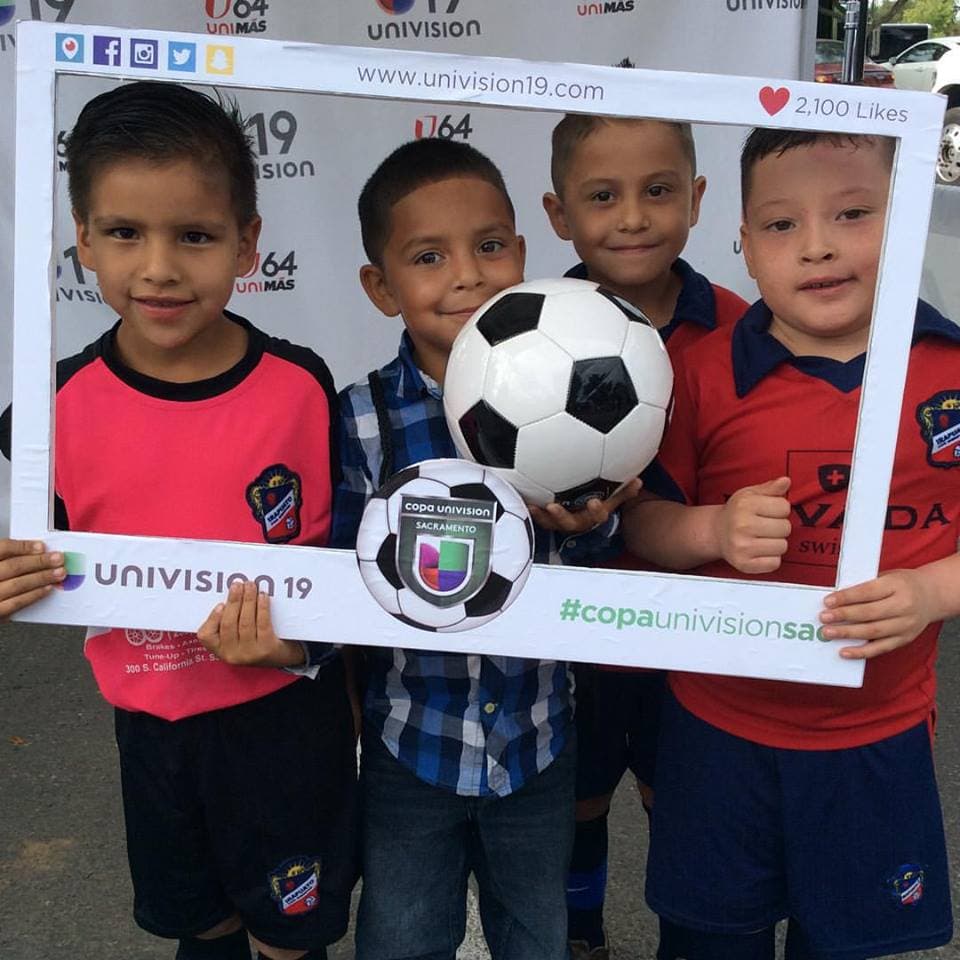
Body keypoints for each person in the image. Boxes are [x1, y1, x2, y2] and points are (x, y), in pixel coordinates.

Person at [0, 81, 357, 960]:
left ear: (247, 242)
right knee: (201, 923)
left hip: (283, 726)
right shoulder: (48, 411)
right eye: (125, 232)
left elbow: (347, 566)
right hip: (152, 734)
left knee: (289, 936)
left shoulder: (303, 388)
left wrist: (298, 647)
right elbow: (38, 558)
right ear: (82, 238)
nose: (159, 267)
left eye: (194, 236)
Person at [623, 128, 958, 960]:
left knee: (840, 945)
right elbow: (638, 521)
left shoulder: (950, 372)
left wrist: (930, 593)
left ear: (906, 218)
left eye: (853, 214)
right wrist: (711, 528)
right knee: (708, 942)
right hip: (717, 726)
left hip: (875, 733)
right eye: (781, 224)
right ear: (742, 240)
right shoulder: (697, 373)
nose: (817, 246)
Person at [332, 136, 636, 960]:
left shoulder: (584, 399)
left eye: (490, 245)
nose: (467, 275)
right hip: (411, 746)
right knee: (400, 938)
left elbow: (590, 573)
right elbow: (339, 587)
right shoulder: (360, 419)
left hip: (539, 741)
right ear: (381, 287)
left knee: (536, 934)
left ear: (522, 255)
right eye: (429, 256)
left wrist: (590, 527)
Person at [542, 112, 749, 960]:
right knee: (579, 802)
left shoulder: (741, 328)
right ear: (559, 214)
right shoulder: (525, 329)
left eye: (658, 191)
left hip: (693, 639)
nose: (632, 217)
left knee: (684, 804)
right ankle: (581, 934)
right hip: (575, 633)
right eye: (602, 196)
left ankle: (684, 937)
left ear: (696, 199)